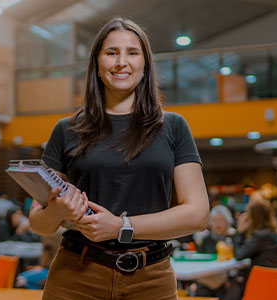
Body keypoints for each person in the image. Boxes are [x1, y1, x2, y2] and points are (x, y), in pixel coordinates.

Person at [30, 17, 210, 300]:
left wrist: (121, 227)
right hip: (75, 278)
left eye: (132, 53)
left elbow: (198, 214)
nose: (121, 62)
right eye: (112, 52)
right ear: (97, 64)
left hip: (150, 279)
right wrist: (59, 208)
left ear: (145, 65)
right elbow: (39, 223)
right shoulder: (66, 129)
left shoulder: (173, 126)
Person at [223, 198, 277, 300]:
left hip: (260, 291)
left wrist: (239, 232)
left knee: (232, 285)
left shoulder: (260, 236)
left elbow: (238, 255)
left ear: (253, 217)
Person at [191, 205, 236, 297]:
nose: (217, 224)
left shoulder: (232, 239)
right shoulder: (205, 240)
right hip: (206, 281)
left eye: (221, 220)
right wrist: (194, 282)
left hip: (226, 283)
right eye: (215, 220)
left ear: (228, 222)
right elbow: (198, 262)